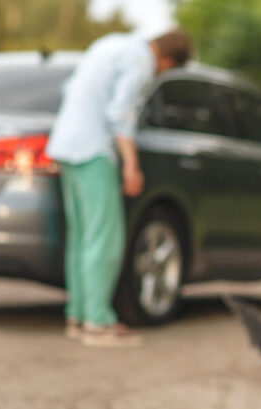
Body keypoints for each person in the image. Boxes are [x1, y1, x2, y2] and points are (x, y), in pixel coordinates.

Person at [46, 29, 192, 347]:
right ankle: (98, 322)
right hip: (94, 150)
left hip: (65, 145)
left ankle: (78, 315)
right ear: (166, 60)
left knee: (82, 238)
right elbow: (120, 114)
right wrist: (131, 165)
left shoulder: (109, 44)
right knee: (105, 239)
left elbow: (68, 88)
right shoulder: (140, 61)